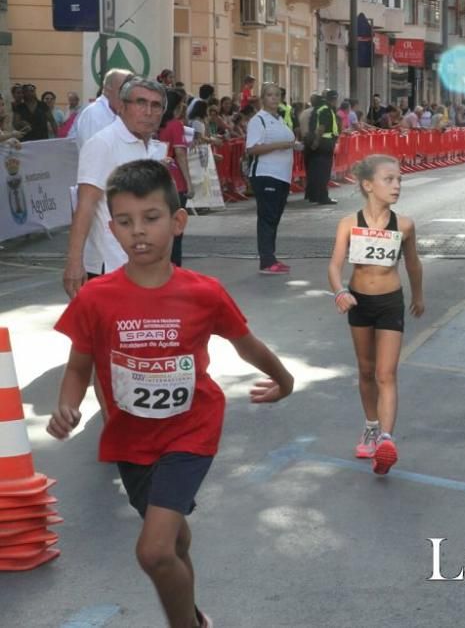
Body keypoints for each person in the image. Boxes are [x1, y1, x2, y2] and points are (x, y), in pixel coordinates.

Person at [47, 159, 294, 628]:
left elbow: (247, 345)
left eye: (151, 218)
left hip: (190, 433)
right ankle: (194, 615)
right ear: (112, 227)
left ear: (177, 222)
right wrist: (68, 405)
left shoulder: (204, 293)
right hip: (130, 441)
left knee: (154, 551)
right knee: (175, 545)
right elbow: (79, 366)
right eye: (124, 221)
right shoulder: (96, 298)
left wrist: (284, 379)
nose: (138, 232)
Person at [327, 154, 424, 474]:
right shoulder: (349, 224)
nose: (397, 185)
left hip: (390, 302)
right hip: (359, 302)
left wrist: (418, 296)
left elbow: (413, 264)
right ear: (368, 185)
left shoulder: (405, 225)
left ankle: (386, 438)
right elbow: (334, 265)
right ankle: (371, 425)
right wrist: (340, 291)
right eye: (389, 179)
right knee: (366, 370)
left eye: (399, 180)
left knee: (387, 373)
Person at [64, 75, 168, 296]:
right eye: (140, 102)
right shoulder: (103, 144)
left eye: (156, 105)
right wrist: (74, 262)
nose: (148, 111)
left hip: (144, 263)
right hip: (110, 264)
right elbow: (85, 206)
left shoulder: (149, 145)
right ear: (121, 106)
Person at [246, 82, 304, 275]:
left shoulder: (280, 119)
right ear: (263, 98)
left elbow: (287, 142)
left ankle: (271, 257)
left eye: (277, 95)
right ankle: (267, 261)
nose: (274, 98)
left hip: (282, 176)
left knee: (275, 217)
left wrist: (293, 145)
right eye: (270, 95)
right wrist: (281, 145)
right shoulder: (258, 120)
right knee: (267, 217)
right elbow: (252, 148)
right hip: (266, 174)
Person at [157, 89, 192, 266]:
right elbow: (180, 153)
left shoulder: (156, 125)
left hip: (157, 181)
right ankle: (174, 268)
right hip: (175, 182)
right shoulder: (176, 125)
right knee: (176, 230)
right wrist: (189, 183)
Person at [70, 68, 131, 149]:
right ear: (108, 89)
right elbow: (94, 153)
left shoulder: (118, 112)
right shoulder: (94, 114)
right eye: (123, 89)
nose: (128, 94)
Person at [304, 91, 338, 205]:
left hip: (316, 142)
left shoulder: (318, 109)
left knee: (314, 171)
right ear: (333, 99)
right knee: (323, 172)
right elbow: (321, 127)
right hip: (324, 143)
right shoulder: (326, 110)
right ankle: (323, 197)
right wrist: (317, 142)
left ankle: (313, 195)